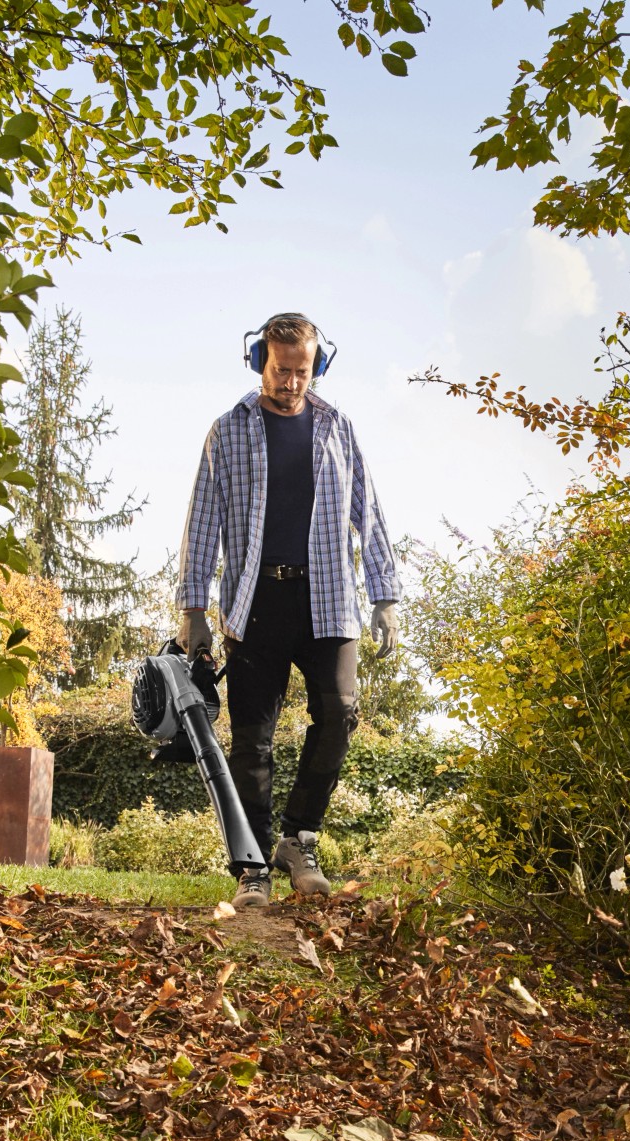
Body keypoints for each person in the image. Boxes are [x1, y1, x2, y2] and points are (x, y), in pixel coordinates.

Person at [175, 312, 400, 908]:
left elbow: (368, 513)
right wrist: (194, 611)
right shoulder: (228, 431)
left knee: (340, 713)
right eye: (281, 370)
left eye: (303, 372)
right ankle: (253, 868)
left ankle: (298, 840)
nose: (292, 383)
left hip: (329, 598)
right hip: (256, 602)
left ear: (317, 367)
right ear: (259, 362)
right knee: (253, 740)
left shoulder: (337, 428)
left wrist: (386, 596)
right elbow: (202, 524)